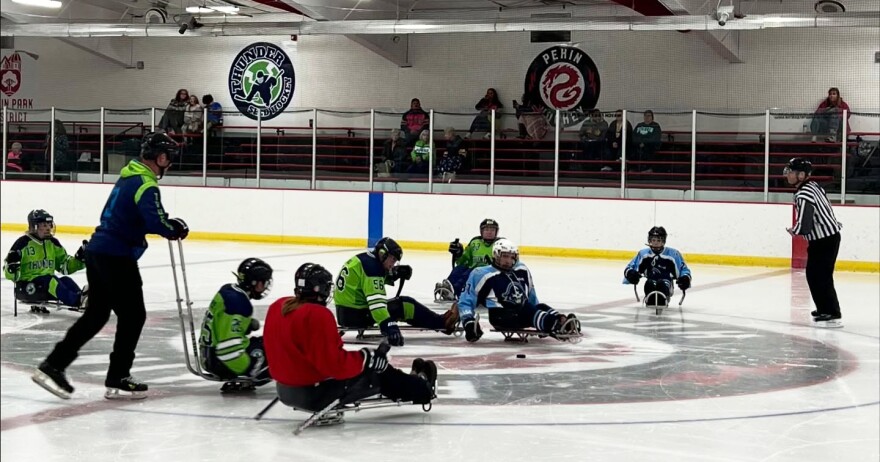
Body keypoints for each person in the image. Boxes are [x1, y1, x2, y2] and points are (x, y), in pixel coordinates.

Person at [32, 131, 189, 400]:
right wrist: (174, 228)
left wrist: (166, 224)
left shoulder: (129, 176)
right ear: (161, 157)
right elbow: (155, 222)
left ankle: (54, 364)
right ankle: (118, 375)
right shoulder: (146, 184)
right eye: (169, 158)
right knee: (133, 316)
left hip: (98, 252)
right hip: (116, 257)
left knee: (96, 315)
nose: (170, 163)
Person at [263, 263, 437, 413]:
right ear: (320, 289)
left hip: (285, 389)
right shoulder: (318, 315)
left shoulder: (278, 307)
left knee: (374, 365)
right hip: (315, 394)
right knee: (380, 370)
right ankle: (422, 388)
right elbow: (335, 366)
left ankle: (410, 381)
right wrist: (365, 358)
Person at [334, 237, 459, 347]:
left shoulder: (365, 260)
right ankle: (442, 323)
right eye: (392, 260)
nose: (392, 264)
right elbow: (377, 305)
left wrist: (394, 274)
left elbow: (365, 284)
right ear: (383, 254)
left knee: (400, 304)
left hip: (346, 312)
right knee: (405, 305)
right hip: (357, 315)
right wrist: (388, 326)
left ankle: (439, 321)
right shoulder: (372, 269)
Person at [458, 239, 580, 342]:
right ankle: (555, 325)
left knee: (539, 306)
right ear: (496, 255)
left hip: (522, 311)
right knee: (526, 310)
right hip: (501, 316)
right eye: (505, 256)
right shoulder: (482, 274)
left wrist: (540, 313)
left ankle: (561, 320)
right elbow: (465, 300)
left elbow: (531, 297)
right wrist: (468, 322)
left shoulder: (521, 269)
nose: (508, 261)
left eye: (512, 257)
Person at [783, 157, 844, 328]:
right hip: (829, 237)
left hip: (823, 240)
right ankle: (825, 308)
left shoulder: (803, 194)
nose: (788, 174)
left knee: (819, 276)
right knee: (817, 275)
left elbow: (805, 223)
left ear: (801, 175)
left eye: (791, 171)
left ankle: (831, 312)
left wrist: (794, 230)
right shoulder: (813, 186)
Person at [198, 258, 273, 390]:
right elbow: (227, 348)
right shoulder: (238, 303)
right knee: (272, 348)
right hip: (221, 362)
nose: (266, 286)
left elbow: (221, 323)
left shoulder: (228, 291)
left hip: (208, 356)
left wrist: (246, 324)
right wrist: (250, 369)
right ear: (255, 283)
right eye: (264, 282)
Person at [3, 209, 88, 313]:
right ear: (34, 227)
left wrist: (79, 259)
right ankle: (76, 301)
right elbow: (10, 273)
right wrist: (12, 267)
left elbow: (65, 266)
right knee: (50, 280)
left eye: (49, 224)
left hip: (45, 287)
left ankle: (84, 298)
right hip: (27, 287)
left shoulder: (52, 243)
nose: (48, 228)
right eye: (44, 225)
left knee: (66, 280)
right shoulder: (22, 243)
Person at [434, 218, 501, 302]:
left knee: (472, 271)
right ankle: (449, 287)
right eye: (486, 229)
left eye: (492, 229)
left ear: (496, 232)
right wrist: (458, 253)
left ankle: (454, 289)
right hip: (473, 275)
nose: (489, 232)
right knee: (460, 269)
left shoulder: (501, 244)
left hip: (489, 277)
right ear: (481, 231)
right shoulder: (475, 242)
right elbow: (462, 262)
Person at [623, 226, 692, 306]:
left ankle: (664, 296)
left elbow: (684, 269)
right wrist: (631, 273)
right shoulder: (643, 254)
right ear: (649, 240)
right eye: (653, 240)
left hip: (666, 282)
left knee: (661, 284)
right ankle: (649, 298)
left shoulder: (673, 254)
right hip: (651, 280)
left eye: (659, 240)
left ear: (663, 241)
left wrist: (685, 278)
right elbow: (630, 267)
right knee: (649, 283)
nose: (655, 243)